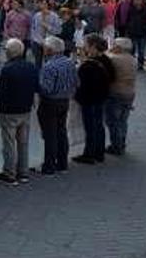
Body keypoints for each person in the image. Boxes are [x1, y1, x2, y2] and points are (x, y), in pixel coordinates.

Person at [0, 39, 38, 186]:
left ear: (9, 53)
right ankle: (23, 172)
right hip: (25, 108)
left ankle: (9, 173)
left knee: (9, 143)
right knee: (23, 142)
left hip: (10, 110)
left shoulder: (7, 69)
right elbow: (36, 86)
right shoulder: (30, 66)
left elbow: (0, 91)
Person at [36, 36, 78, 175]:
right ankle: (62, 163)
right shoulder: (70, 62)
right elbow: (76, 83)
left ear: (49, 50)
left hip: (50, 102)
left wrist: (37, 86)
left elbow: (46, 89)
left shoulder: (49, 66)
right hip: (64, 100)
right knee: (61, 131)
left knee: (50, 135)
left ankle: (49, 165)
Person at [73, 34, 115, 165]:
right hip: (101, 98)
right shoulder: (107, 60)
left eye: (86, 45)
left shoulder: (88, 65)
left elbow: (80, 84)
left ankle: (89, 153)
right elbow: (112, 78)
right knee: (98, 125)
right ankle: (99, 152)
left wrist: (77, 97)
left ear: (93, 47)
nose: (84, 48)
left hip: (89, 100)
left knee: (90, 127)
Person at [106, 38, 137, 156]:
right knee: (123, 120)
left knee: (113, 121)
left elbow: (105, 57)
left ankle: (116, 145)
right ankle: (122, 142)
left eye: (114, 44)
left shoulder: (115, 59)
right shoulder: (133, 59)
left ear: (119, 48)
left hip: (116, 93)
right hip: (129, 93)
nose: (112, 46)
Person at [31, 0, 62, 68]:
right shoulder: (36, 16)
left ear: (48, 6)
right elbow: (33, 29)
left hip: (49, 43)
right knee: (37, 62)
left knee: (49, 63)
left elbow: (58, 30)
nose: (42, 6)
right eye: (41, 4)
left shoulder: (54, 16)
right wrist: (36, 39)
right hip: (38, 42)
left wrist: (48, 27)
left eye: (44, 4)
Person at [125, 0, 146, 71]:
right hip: (132, 32)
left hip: (142, 33)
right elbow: (127, 20)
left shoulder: (145, 9)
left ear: (142, 1)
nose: (137, 1)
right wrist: (128, 28)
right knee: (132, 50)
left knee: (141, 51)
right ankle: (132, 64)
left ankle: (140, 65)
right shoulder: (131, 9)